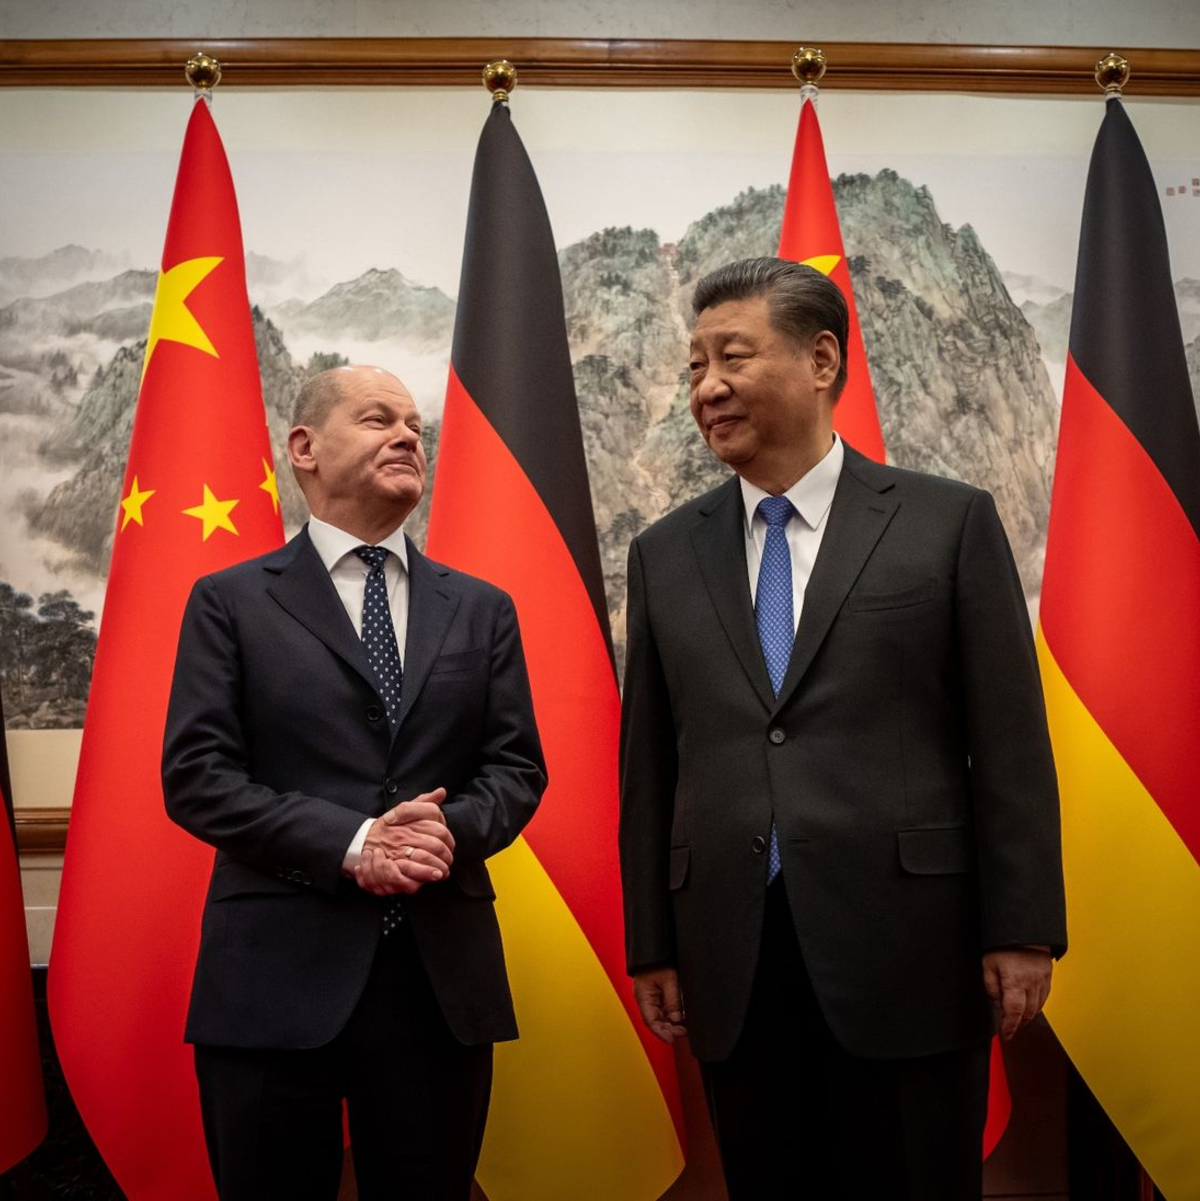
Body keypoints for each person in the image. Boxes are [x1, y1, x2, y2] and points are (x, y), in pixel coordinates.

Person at [618, 258, 1066, 1198]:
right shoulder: (664, 554)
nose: (707, 388)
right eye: (695, 365)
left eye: (731, 356)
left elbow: (1011, 742)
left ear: (821, 358)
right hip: (732, 955)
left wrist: (1022, 926)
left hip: (913, 946)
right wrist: (653, 941)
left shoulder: (947, 523)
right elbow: (651, 763)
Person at [162, 364, 546, 1200]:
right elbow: (195, 776)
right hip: (271, 982)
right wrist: (353, 842)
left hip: (438, 982)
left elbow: (516, 769)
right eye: (379, 419)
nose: (410, 435)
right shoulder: (229, 602)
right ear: (304, 447)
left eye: (417, 425)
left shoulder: (481, 608)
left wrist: (446, 832)